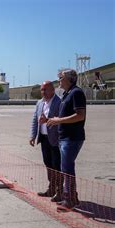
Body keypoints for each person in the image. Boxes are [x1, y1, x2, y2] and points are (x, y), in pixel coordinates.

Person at [47, 69, 86, 210]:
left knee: (67, 169)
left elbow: (80, 115)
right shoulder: (66, 94)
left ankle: (68, 199)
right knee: (66, 168)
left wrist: (59, 120)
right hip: (64, 138)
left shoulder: (76, 93)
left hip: (72, 138)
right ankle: (71, 197)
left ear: (70, 79)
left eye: (61, 78)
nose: (59, 80)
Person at [30, 81, 62, 202]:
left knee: (56, 166)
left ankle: (60, 191)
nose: (43, 92)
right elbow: (35, 119)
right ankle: (51, 188)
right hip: (43, 138)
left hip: (55, 139)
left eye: (45, 90)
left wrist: (47, 120)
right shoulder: (39, 103)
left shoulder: (59, 102)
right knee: (48, 164)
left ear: (52, 90)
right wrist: (33, 135)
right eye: (42, 90)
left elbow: (60, 120)